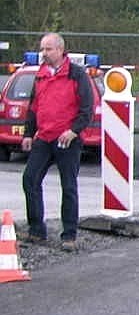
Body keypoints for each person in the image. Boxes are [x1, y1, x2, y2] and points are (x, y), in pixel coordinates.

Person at [20, 33, 94, 249]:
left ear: (61, 50)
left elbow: (86, 109)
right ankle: (36, 231)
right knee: (30, 180)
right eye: (42, 49)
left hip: (67, 139)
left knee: (68, 186)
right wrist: (27, 134)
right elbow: (34, 108)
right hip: (44, 137)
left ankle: (69, 236)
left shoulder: (76, 74)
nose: (44, 53)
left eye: (49, 49)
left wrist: (73, 131)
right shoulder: (40, 75)